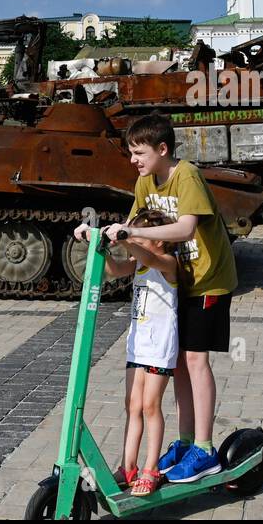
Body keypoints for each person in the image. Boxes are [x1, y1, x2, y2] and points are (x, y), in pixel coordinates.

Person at [75, 113, 237, 484]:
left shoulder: (186, 176)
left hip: (207, 280)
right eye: (131, 152)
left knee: (195, 360)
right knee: (177, 360)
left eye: (139, 152)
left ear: (162, 149)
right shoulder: (145, 181)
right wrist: (99, 234)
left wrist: (129, 230)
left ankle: (205, 449)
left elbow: (185, 227)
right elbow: (135, 229)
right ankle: (184, 441)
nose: (133, 159)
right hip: (175, 279)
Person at [104, 208, 179, 496]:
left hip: (160, 346)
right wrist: (97, 243)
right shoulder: (139, 263)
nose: (136, 241)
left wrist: (125, 237)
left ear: (159, 239)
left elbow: (148, 257)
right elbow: (112, 271)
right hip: (138, 344)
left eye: (142, 235)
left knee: (150, 406)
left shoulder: (166, 262)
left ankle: (151, 468)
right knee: (132, 405)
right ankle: (128, 467)